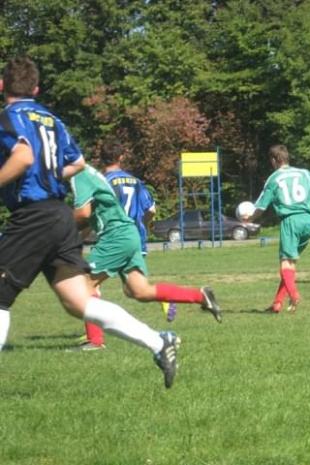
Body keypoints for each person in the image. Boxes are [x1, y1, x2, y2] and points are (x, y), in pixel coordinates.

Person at [0, 57, 179, 388]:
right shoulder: (53, 120)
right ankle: (159, 341)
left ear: (1, 86)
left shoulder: (9, 117)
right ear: (36, 89)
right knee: (79, 303)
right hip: (59, 216)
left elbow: (23, 157)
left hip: (34, 215)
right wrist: (50, 173)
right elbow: (78, 163)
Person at [71, 164, 222, 350]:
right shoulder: (104, 177)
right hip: (132, 234)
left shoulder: (80, 175)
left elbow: (83, 213)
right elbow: (150, 210)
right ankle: (200, 296)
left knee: (85, 286)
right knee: (139, 290)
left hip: (115, 236)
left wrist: (58, 232)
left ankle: (95, 341)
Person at [243, 144, 310, 313]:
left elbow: (261, 207)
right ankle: (277, 304)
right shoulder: (305, 173)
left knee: (286, 262)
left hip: (291, 220)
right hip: (309, 221)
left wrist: (249, 218)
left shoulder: (274, 178)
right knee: (291, 264)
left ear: (273, 160)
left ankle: (294, 294)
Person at [100, 140, 176, 321]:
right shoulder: (135, 181)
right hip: (136, 236)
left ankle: (94, 336)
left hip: (115, 236)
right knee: (132, 289)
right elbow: (151, 210)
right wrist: (144, 225)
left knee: (89, 282)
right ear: (121, 157)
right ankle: (164, 297)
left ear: (101, 159)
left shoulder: (103, 182)